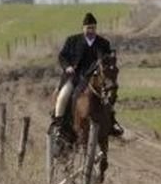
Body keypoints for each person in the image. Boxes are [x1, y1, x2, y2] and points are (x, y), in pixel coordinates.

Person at [51, 12, 122, 140]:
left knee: (108, 96)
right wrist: (67, 67)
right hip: (74, 76)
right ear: (83, 28)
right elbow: (62, 56)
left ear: (96, 28)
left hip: (94, 78)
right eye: (88, 28)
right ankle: (59, 124)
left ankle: (112, 123)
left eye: (93, 28)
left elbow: (107, 60)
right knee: (63, 96)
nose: (91, 30)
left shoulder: (103, 43)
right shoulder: (72, 40)